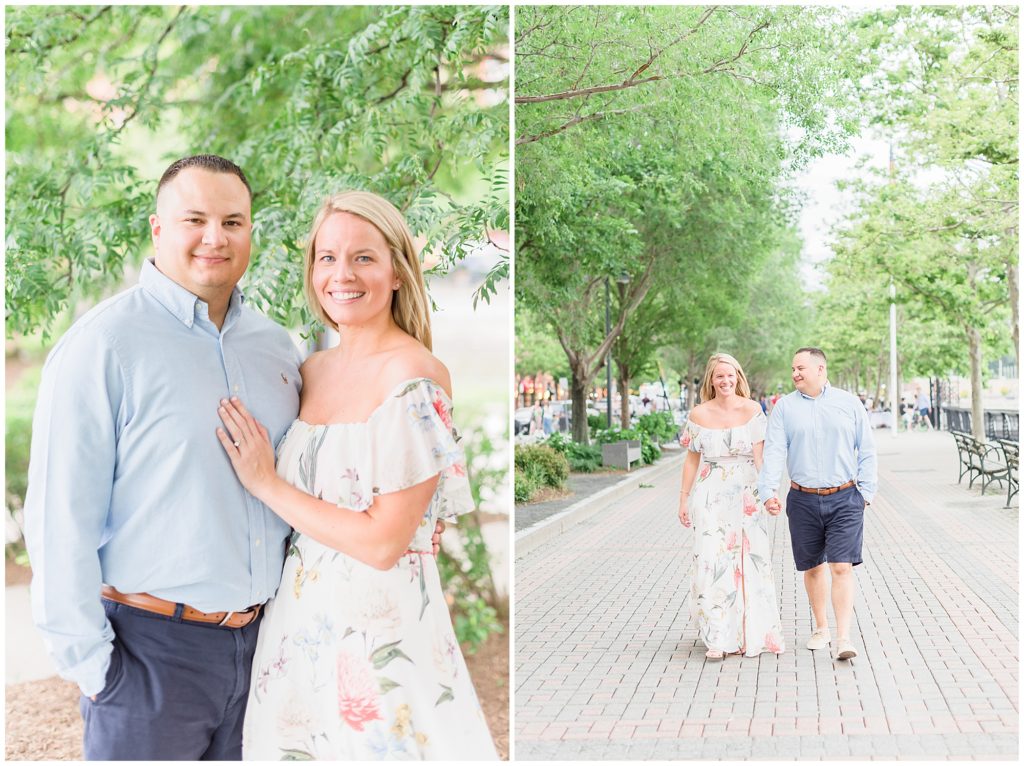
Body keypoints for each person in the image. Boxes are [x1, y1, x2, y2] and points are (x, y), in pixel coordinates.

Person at [21, 156, 444, 760]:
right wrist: (97, 673)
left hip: (272, 654)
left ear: (251, 232)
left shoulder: (278, 350)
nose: (214, 238)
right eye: (194, 218)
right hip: (149, 658)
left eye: (232, 221)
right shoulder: (103, 347)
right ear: (157, 228)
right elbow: (58, 522)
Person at [216, 191, 497, 760]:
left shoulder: (414, 376)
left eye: (363, 258)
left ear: (397, 271)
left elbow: (383, 541)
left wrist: (267, 482)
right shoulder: (311, 370)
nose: (341, 274)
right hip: (298, 627)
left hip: (379, 630)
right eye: (327, 257)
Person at [757, 347, 877, 661]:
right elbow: (773, 451)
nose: (795, 373)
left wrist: (865, 493)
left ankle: (843, 637)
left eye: (800, 368)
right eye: (793, 369)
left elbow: (866, 449)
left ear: (820, 369)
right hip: (803, 499)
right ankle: (821, 627)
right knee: (812, 568)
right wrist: (767, 490)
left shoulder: (849, 404)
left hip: (845, 497)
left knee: (841, 566)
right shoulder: (784, 408)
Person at [677, 353, 785, 661]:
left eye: (731, 375)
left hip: (746, 493)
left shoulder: (752, 411)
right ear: (711, 380)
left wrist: (770, 495)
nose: (726, 381)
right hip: (710, 494)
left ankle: (751, 632)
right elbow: (691, 459)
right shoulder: (698, 415)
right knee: (711, 560)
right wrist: (683, 498)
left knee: (748, 560)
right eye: (719, 376)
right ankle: (717, 636)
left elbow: (762, 457)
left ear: (738, 377)